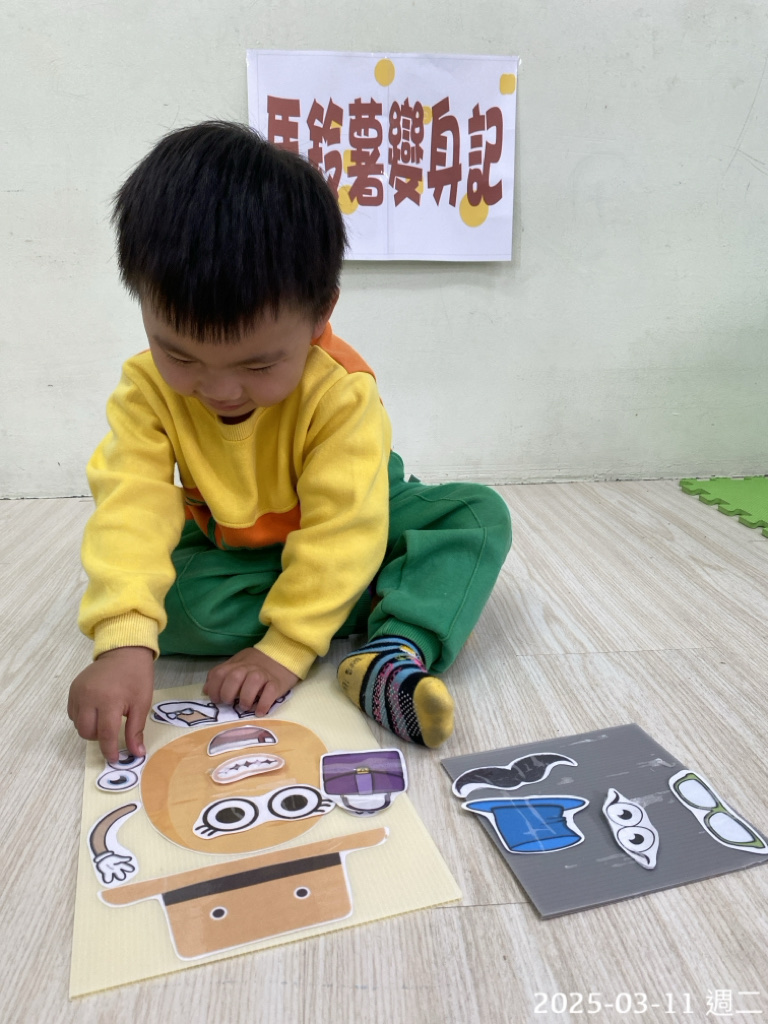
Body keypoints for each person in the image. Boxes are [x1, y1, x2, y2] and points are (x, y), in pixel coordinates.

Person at [67, 121, 512, 763]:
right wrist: (124, 640)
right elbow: (130, 506)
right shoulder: (145, 391)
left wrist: (286, 647)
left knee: (475, 518)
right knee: (176, 603)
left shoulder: (341, 391)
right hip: (240, 545)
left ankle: (394, 650)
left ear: (321, 313)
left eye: (257, 365)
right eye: (180, 356)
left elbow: (347, 523)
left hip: (364, 515)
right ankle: (382, 593)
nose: (219, 390)